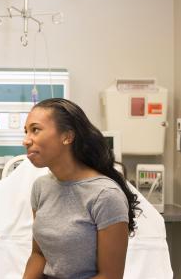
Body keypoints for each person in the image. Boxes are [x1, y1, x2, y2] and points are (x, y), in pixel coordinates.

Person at [22, 98, 140, 279]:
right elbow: (39, 255)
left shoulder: (105, 195)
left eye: (35, 130)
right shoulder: (41, 187)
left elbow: (110, 276)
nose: (26, 140)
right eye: (26, 131)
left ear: (67, 136)